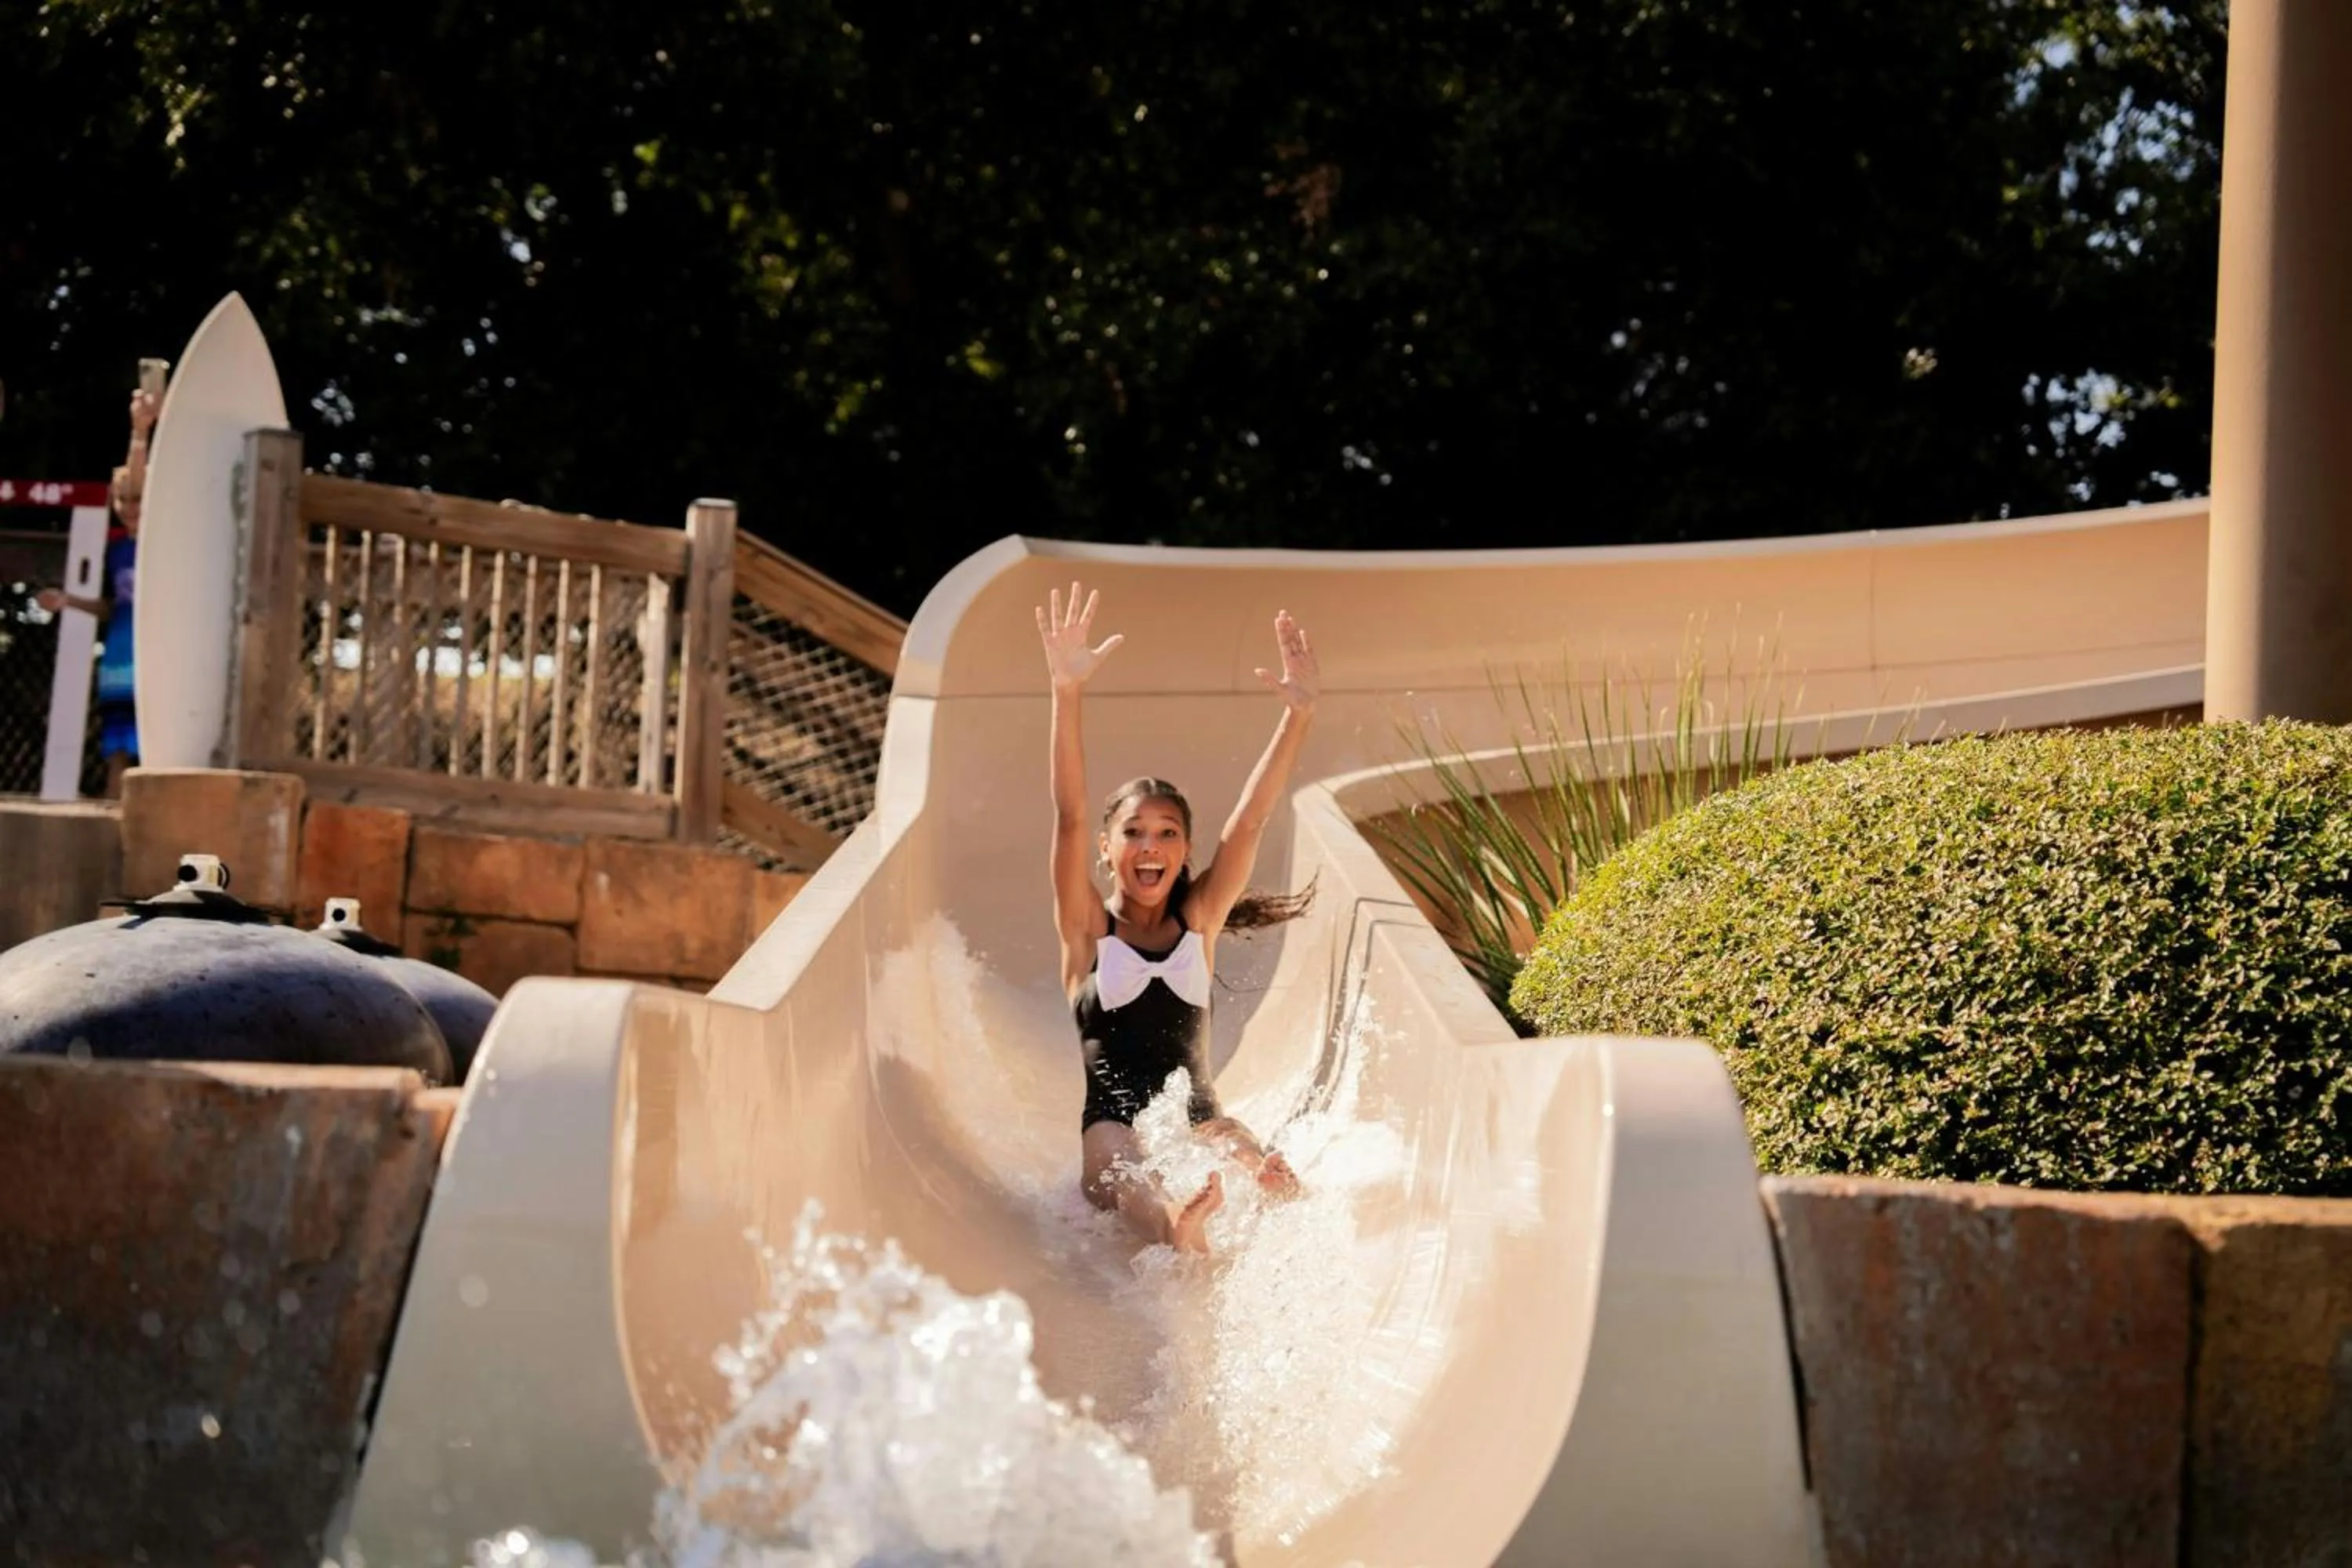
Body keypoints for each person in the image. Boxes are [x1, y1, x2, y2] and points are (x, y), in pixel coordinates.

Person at [1039, 581, 1319, 1254]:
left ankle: (1269, 1187)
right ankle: (1174, 1223)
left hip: (1198, 1116)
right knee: (1121, 1165)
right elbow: (1070, 814)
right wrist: (1066, 692)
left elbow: (1249, 822)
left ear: (1186, 851)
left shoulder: (1199, 923)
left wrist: (1298, 717)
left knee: (1234, 1140)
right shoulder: (1088, 930)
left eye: (1167, 834)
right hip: (1108, 1128)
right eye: (1133, 832)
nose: (1151, 846)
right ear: (1106, 849)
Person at [37, 387, 154, 797]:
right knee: (118, 751)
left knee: (153, 750)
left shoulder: (163, 543)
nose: (130, 506)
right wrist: (68, 601)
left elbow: (140, 477)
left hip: (155, 658)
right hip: (119, 659)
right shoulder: (117, 551)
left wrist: (139, 432)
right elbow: (112, 606)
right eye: (122, 499)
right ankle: (112, 821)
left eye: (137, 498)